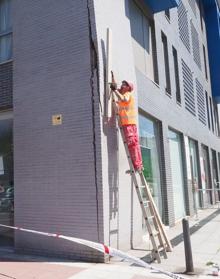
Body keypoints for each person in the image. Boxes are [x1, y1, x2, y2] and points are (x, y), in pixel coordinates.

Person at [110, 80, 143, 172]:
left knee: (132, 145)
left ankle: (137, 166)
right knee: (134, 145)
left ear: (128, 88)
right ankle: (139, 165)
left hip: (129, 124)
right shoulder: (123, 98)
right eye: (122, 84)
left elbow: (123, 99)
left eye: (124, 85)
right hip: (129, 124)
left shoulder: (127, 94)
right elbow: (121, 102)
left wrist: (115, 90)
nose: (122, 86)